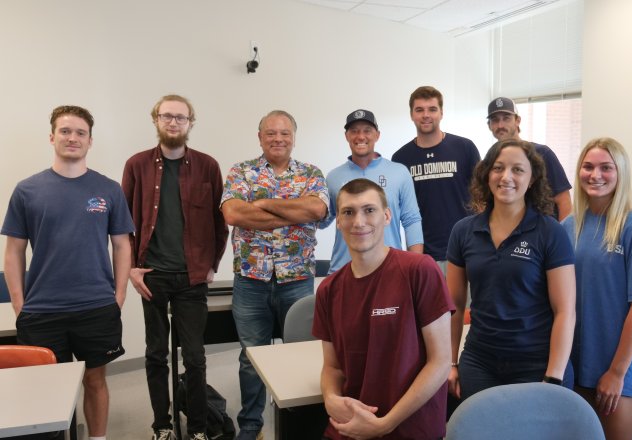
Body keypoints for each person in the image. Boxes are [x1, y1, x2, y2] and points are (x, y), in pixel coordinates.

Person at [2, 105, 134, 440]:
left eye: (80, 133)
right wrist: (20, 304)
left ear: (90, 141)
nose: (72, 138)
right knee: (47, 390)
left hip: (96, 307)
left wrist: (118, 296)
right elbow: (14, 252)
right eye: (65, 131)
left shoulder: (108, 190)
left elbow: (122, 246)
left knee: (95, 380)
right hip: (42, 311)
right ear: (52, 137)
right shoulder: (27, 190)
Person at [122, 95, 228, 440]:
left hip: (191, 277)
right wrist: (131, 269)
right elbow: (124, 225)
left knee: (195, 358)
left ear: (190, 123)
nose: (173, 122)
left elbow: (219, 222)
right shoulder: (136, 165)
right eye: (166, 116)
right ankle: (162, 426)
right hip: (152, 274)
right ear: (156, 119)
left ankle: (197, 429)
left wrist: (211, 265)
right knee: (155, 355)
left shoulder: (208, 166)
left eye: (180, 118)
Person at [313, 178, 453, 440]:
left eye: (369, 210)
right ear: (339, 222)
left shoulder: (419, 270)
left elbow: (440, 362)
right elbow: (332, 367)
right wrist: (331, 398)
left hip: (408, 429)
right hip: (352, 426)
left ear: (387, 216)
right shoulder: (328, 290)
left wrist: (385, 424)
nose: (358, 221)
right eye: (348, 212)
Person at [221, 110, 329, 440]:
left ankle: (300, 422)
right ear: (260, 137)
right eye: (270, 133)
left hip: (296, 280)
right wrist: (291, 212)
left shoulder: (311, 173)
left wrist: (264, 203)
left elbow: (317, 210)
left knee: (301, 353)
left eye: (284, 133)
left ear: (294, 137)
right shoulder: (241, 171)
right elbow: (232, 213)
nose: (277, 138)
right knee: (250, 357)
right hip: (251, 280)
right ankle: (251, 426)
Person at [446, 139, 576, 401]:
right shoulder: (463, 231)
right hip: (479, 362)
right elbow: (455, 307)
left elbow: (565, 311)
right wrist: (450, 363)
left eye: (518, 169)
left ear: (532, 179)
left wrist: (554, 376)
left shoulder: (550, 232)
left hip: (536, 363)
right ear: (487, 175)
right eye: (498, 168)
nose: (506, 177)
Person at [560, 138, 632, 440]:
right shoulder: (569, 226)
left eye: (607, 168)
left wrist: (616, 373)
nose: (596, 175)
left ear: (621, 174)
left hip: (619, 366)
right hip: (575, 365)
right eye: (588, 167)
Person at [321, 109, 423, 274]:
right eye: (354, 131)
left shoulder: (399, 172)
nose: (361, 136)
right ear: (347, 136)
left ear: (377, 135)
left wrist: (416, 267)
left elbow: (411, 220)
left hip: (390, 271)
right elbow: (322, 220)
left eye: (367, 131)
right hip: (342, 271)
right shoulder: (333, 177)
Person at [392, 86, 480, 272]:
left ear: (441, 113)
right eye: (419, 110)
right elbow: (401, 211)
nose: (426, 115)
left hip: (466, 250)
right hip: (424, 254)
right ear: (411, 115)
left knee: (466, 303)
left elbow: (482, 197)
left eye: (432, 109)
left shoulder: (465, 148)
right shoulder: (400, 158)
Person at [486, 97, 572, 220]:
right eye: (495, 120)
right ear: (489, 125)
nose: (501, 125)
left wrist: (562, 237)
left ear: (517, 120)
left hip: (543, 235)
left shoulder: (542, 153)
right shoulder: (491, 159)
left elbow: (564, 201)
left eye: (506, 118)